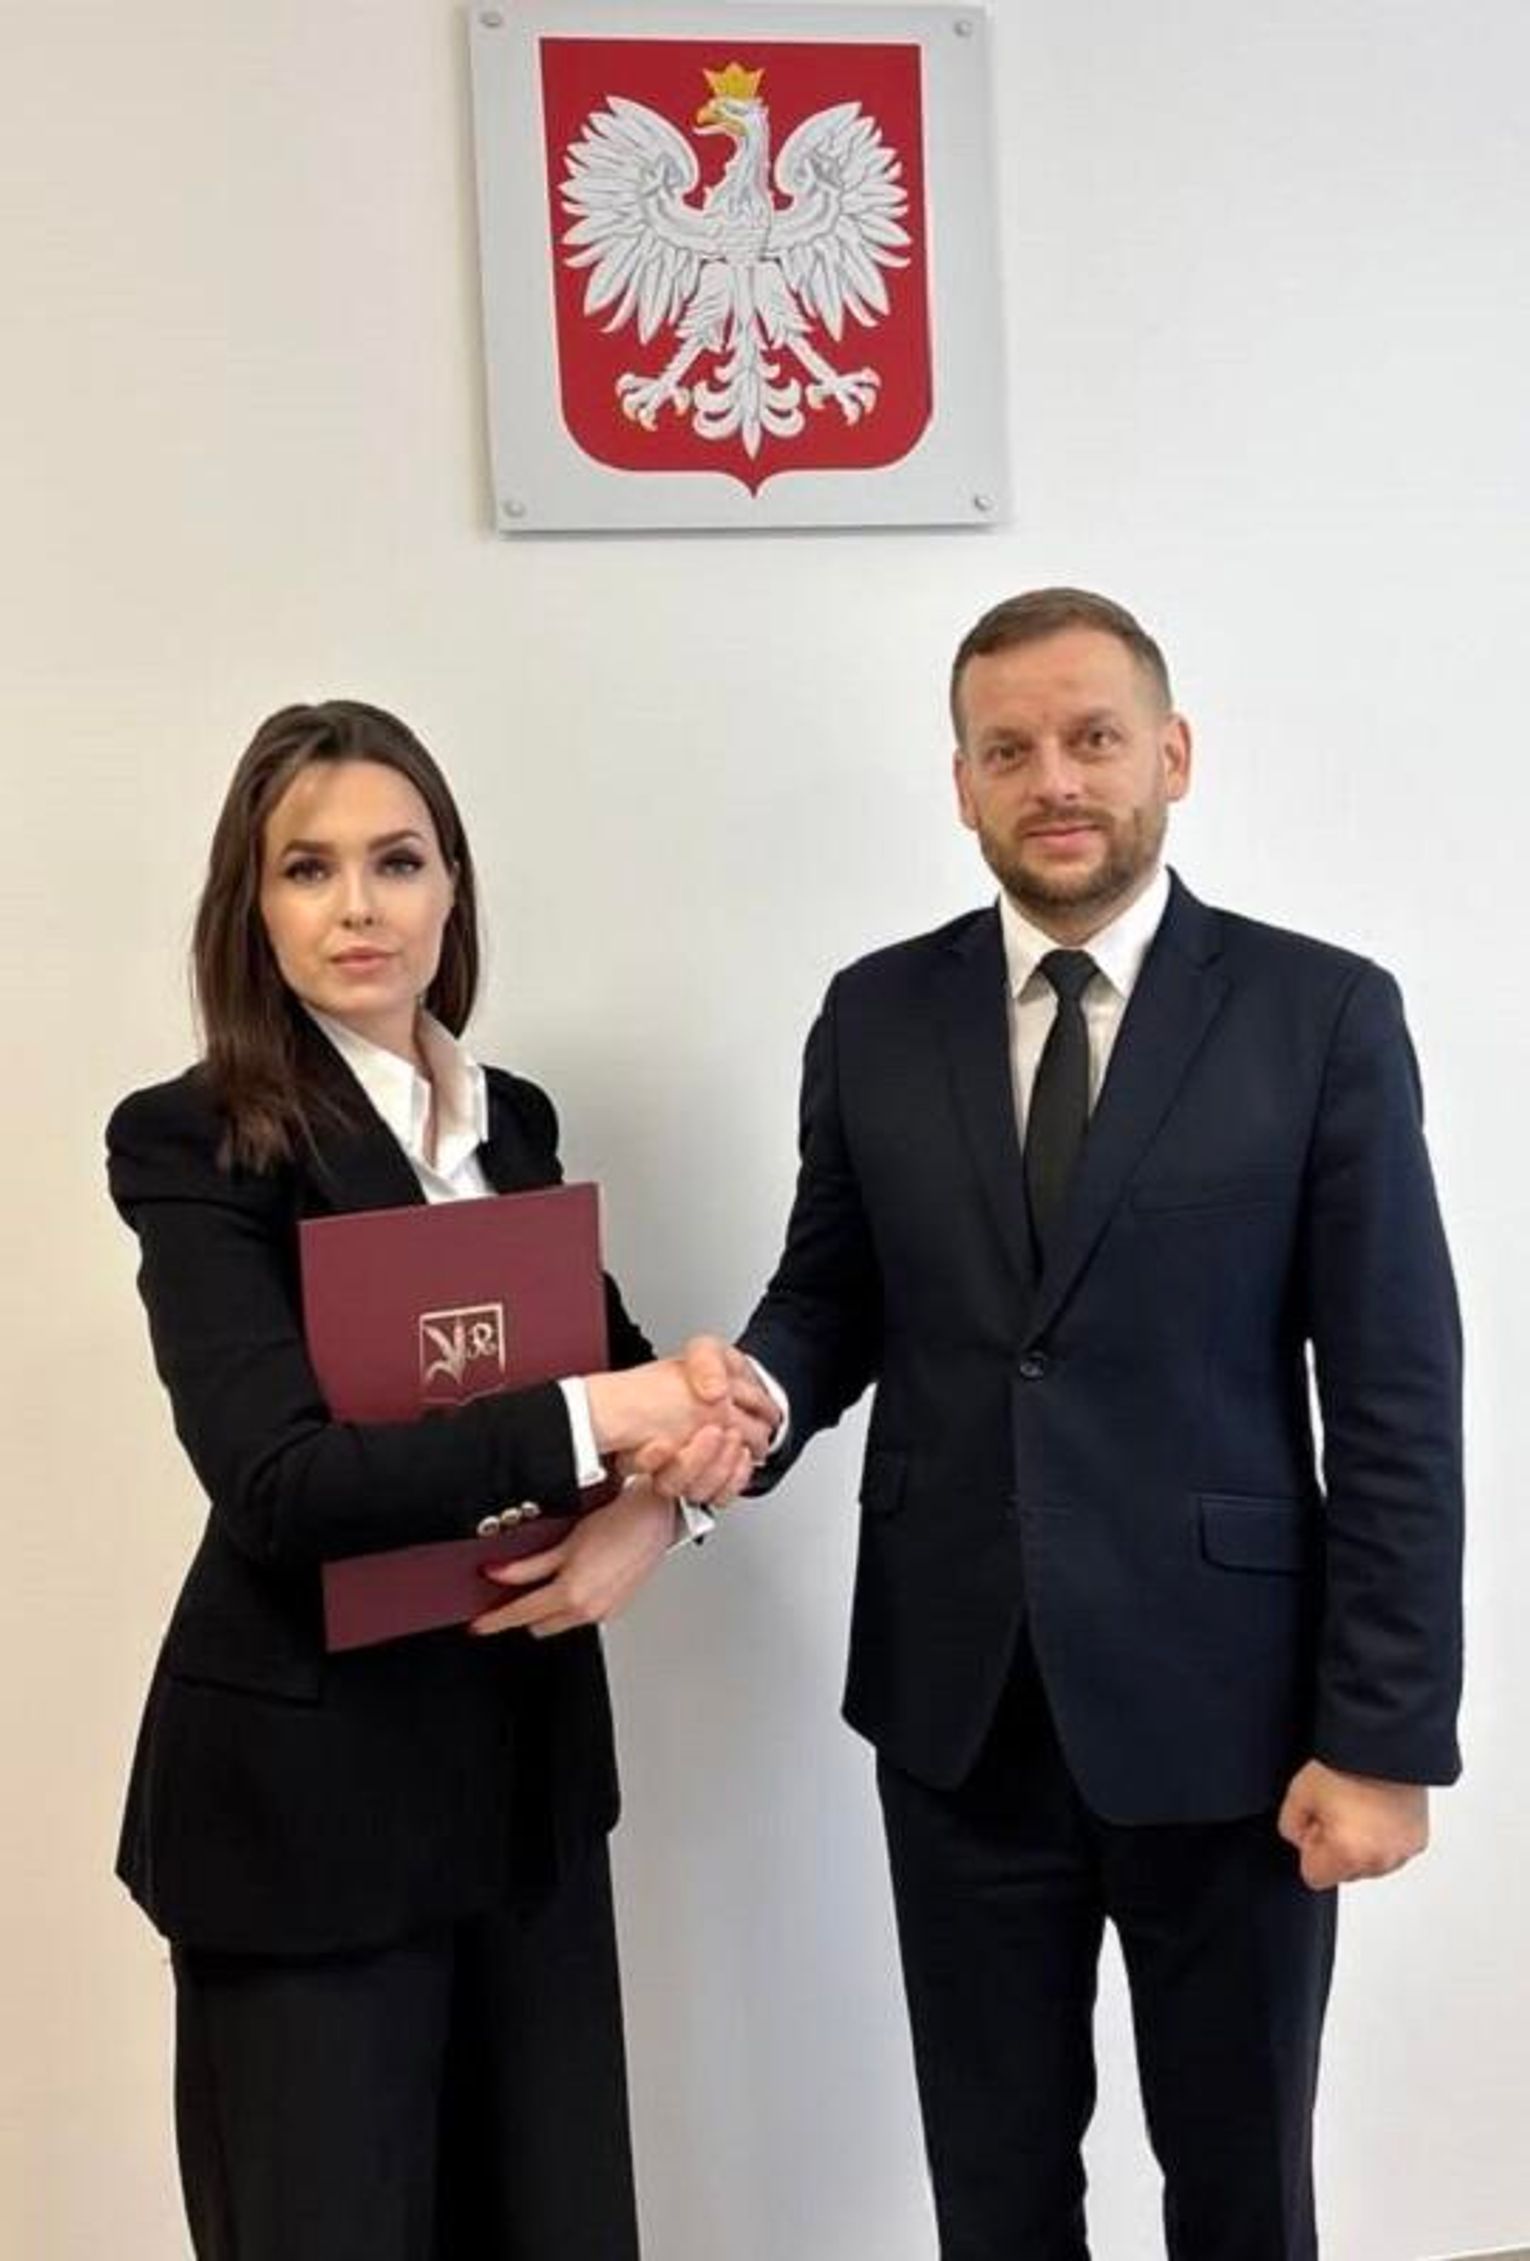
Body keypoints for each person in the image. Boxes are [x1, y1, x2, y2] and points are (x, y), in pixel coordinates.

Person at [730, 590, 1463, 2259]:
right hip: (955, 1708)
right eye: (1008, 750)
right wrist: (746, 1402)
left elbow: (1396, 1399)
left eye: (1091, 738)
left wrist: (1383, 1734)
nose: (1052, 779)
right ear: (961, 784)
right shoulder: (873, 1014)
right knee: (992, 2189)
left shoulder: (1318, 1014)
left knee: (1239, 2183)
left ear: (1171, 755)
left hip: (1235, 1724)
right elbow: (829, 1297)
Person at [106, 698, 770, 2261]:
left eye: (396, 861)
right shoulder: (195, 1142)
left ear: (452, 887)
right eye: (308, 867)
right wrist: (607, 1410)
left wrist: (669, 1493)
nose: (358, 905)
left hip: (523, 1793)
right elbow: (282, 1482)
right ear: (251, 904)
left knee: (555, 2228)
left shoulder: (508, 1119)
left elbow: (623, 1391)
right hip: (305, 1818)